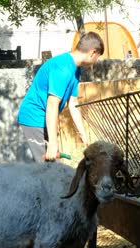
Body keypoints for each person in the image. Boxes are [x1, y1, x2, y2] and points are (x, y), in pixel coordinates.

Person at [18, 31, 104, 162]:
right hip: (33, 119)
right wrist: (53, 143)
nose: (95, 61)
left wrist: (83, 135)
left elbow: (73, 103)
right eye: (97, 57)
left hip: (43, 120)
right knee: (46, 170)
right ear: (92, 52)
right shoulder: (62, 68)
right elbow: (52, 104)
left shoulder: (75, 69)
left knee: (52, 168)